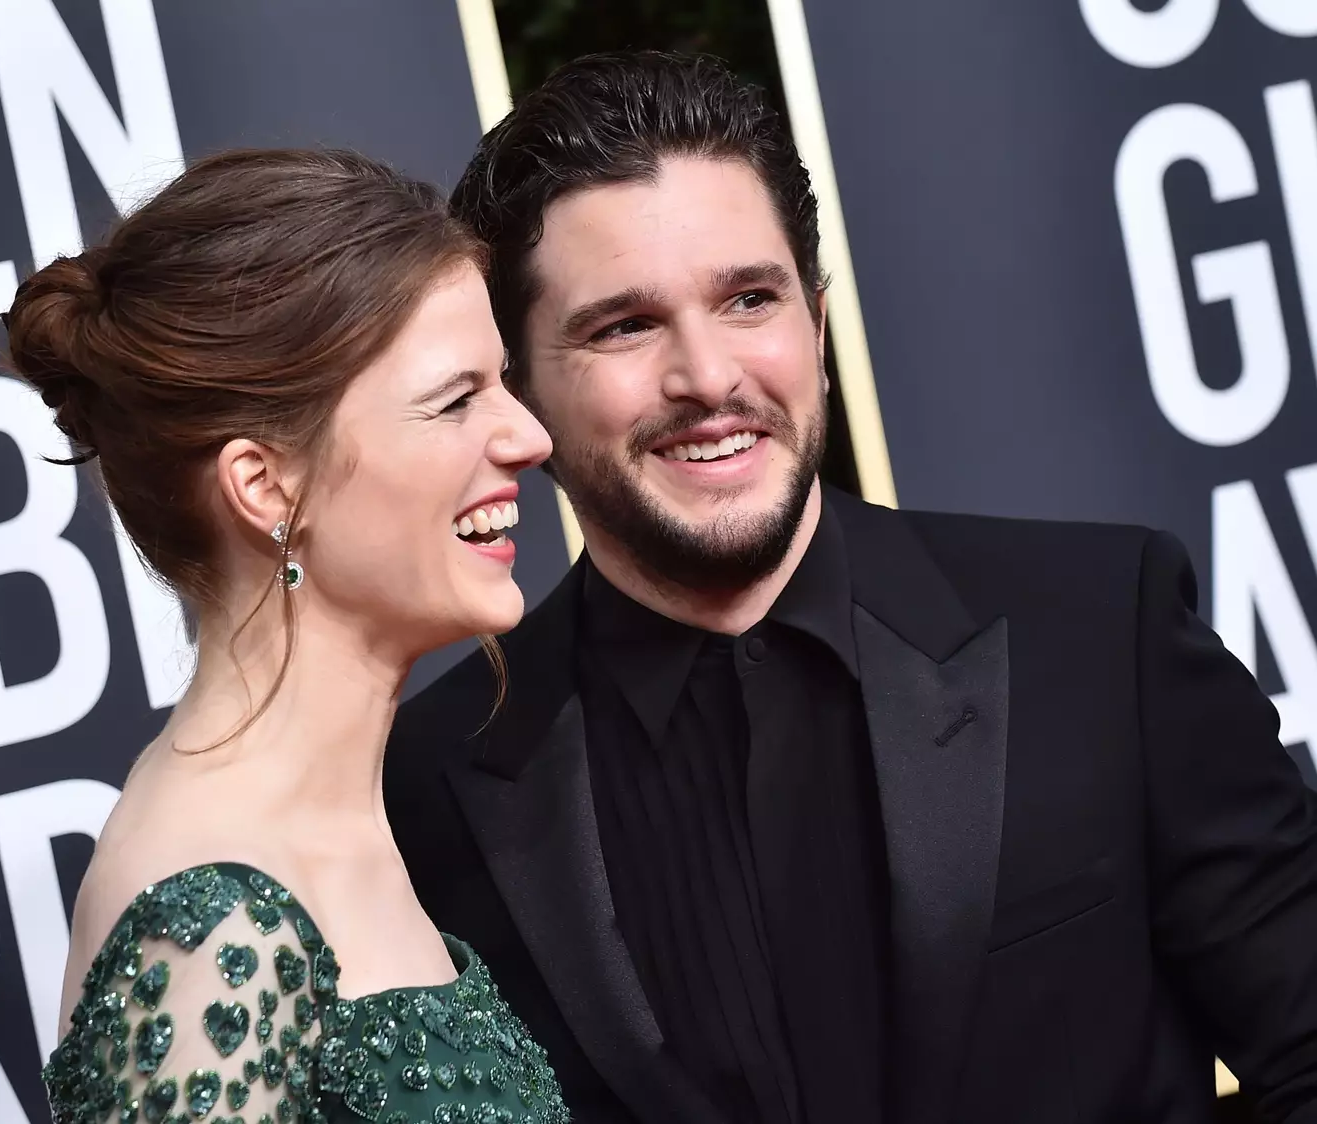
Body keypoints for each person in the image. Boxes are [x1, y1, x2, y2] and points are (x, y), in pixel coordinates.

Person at [385, 52, 1317, 1124]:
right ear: (521, 391)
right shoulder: (430, 786)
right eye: (624, 325)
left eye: (749, 299)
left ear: (816, 328)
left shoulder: (1103, 629)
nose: (709, 376)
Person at [7, 148, 569, 1124]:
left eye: (503, 384)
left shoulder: (344, 821)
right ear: (267, 487)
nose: (527, 437)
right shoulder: (209, 912)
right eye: (455, 400)